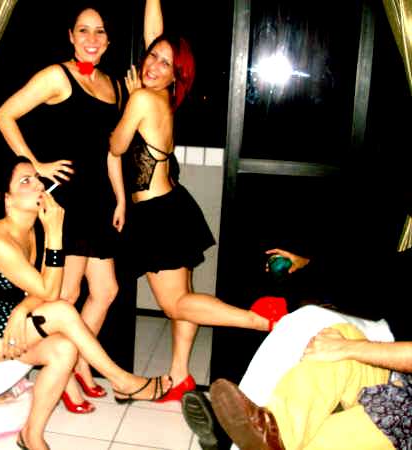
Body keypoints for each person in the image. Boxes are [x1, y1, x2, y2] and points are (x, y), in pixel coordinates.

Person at [107, 3, 286, 403]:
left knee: (176, 303)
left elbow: (116, 145)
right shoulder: (164, 97)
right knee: (184, 297)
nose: (154, 65)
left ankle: (262, 320)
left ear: (177, 75)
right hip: (172, 207)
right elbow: (155, 36)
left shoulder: (143, 98)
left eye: (165, 63)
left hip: (157, 215)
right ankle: (179, 377)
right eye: (153, 56)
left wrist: (130, 98)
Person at [0, 1, 163, 413]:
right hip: (67, 201)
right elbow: (4, 115)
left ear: (108, 40)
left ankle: (80, 363)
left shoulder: (114, 85)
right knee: (65, 295)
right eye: (83, 30)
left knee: (106, 290)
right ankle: (65, 376)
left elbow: (111, 151)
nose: (91, 38)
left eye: (99, 31)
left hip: (100, 200)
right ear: (71, 36)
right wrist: (36, 164)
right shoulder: (58, 76)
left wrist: (120, 198)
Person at [0, 157, 172, 450]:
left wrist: (21, 309)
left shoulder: (28, 228)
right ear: (7, 199)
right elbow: (50, 292)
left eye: (36, 178)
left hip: (9, 322)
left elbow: (41, 287)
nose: (38, 185)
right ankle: (121, 380)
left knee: (65, 348)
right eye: (25, 181)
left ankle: (31, 435)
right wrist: (55, 233)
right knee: (62, 310)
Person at [208, 323, 411, 450]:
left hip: (404, 422)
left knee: (320, 441)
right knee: (342, 334)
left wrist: (346, 348)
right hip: (400, 383)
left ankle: (232, 441)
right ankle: (275, 432)